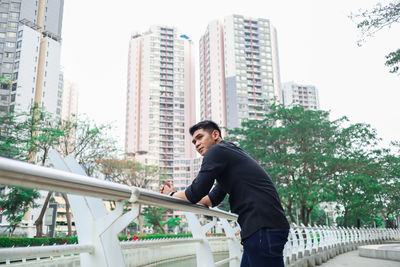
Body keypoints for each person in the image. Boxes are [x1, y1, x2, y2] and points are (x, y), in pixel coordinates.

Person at [161, 120, 290, 266]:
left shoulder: (217, 151)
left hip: (263, 228)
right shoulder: (228, 155)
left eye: (200, 137)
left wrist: (172, 194)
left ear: (215, 134)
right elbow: (212, 199)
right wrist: (178, 193)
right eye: (194, 141)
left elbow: (196, 191)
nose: (196, 144)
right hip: (261, 228)